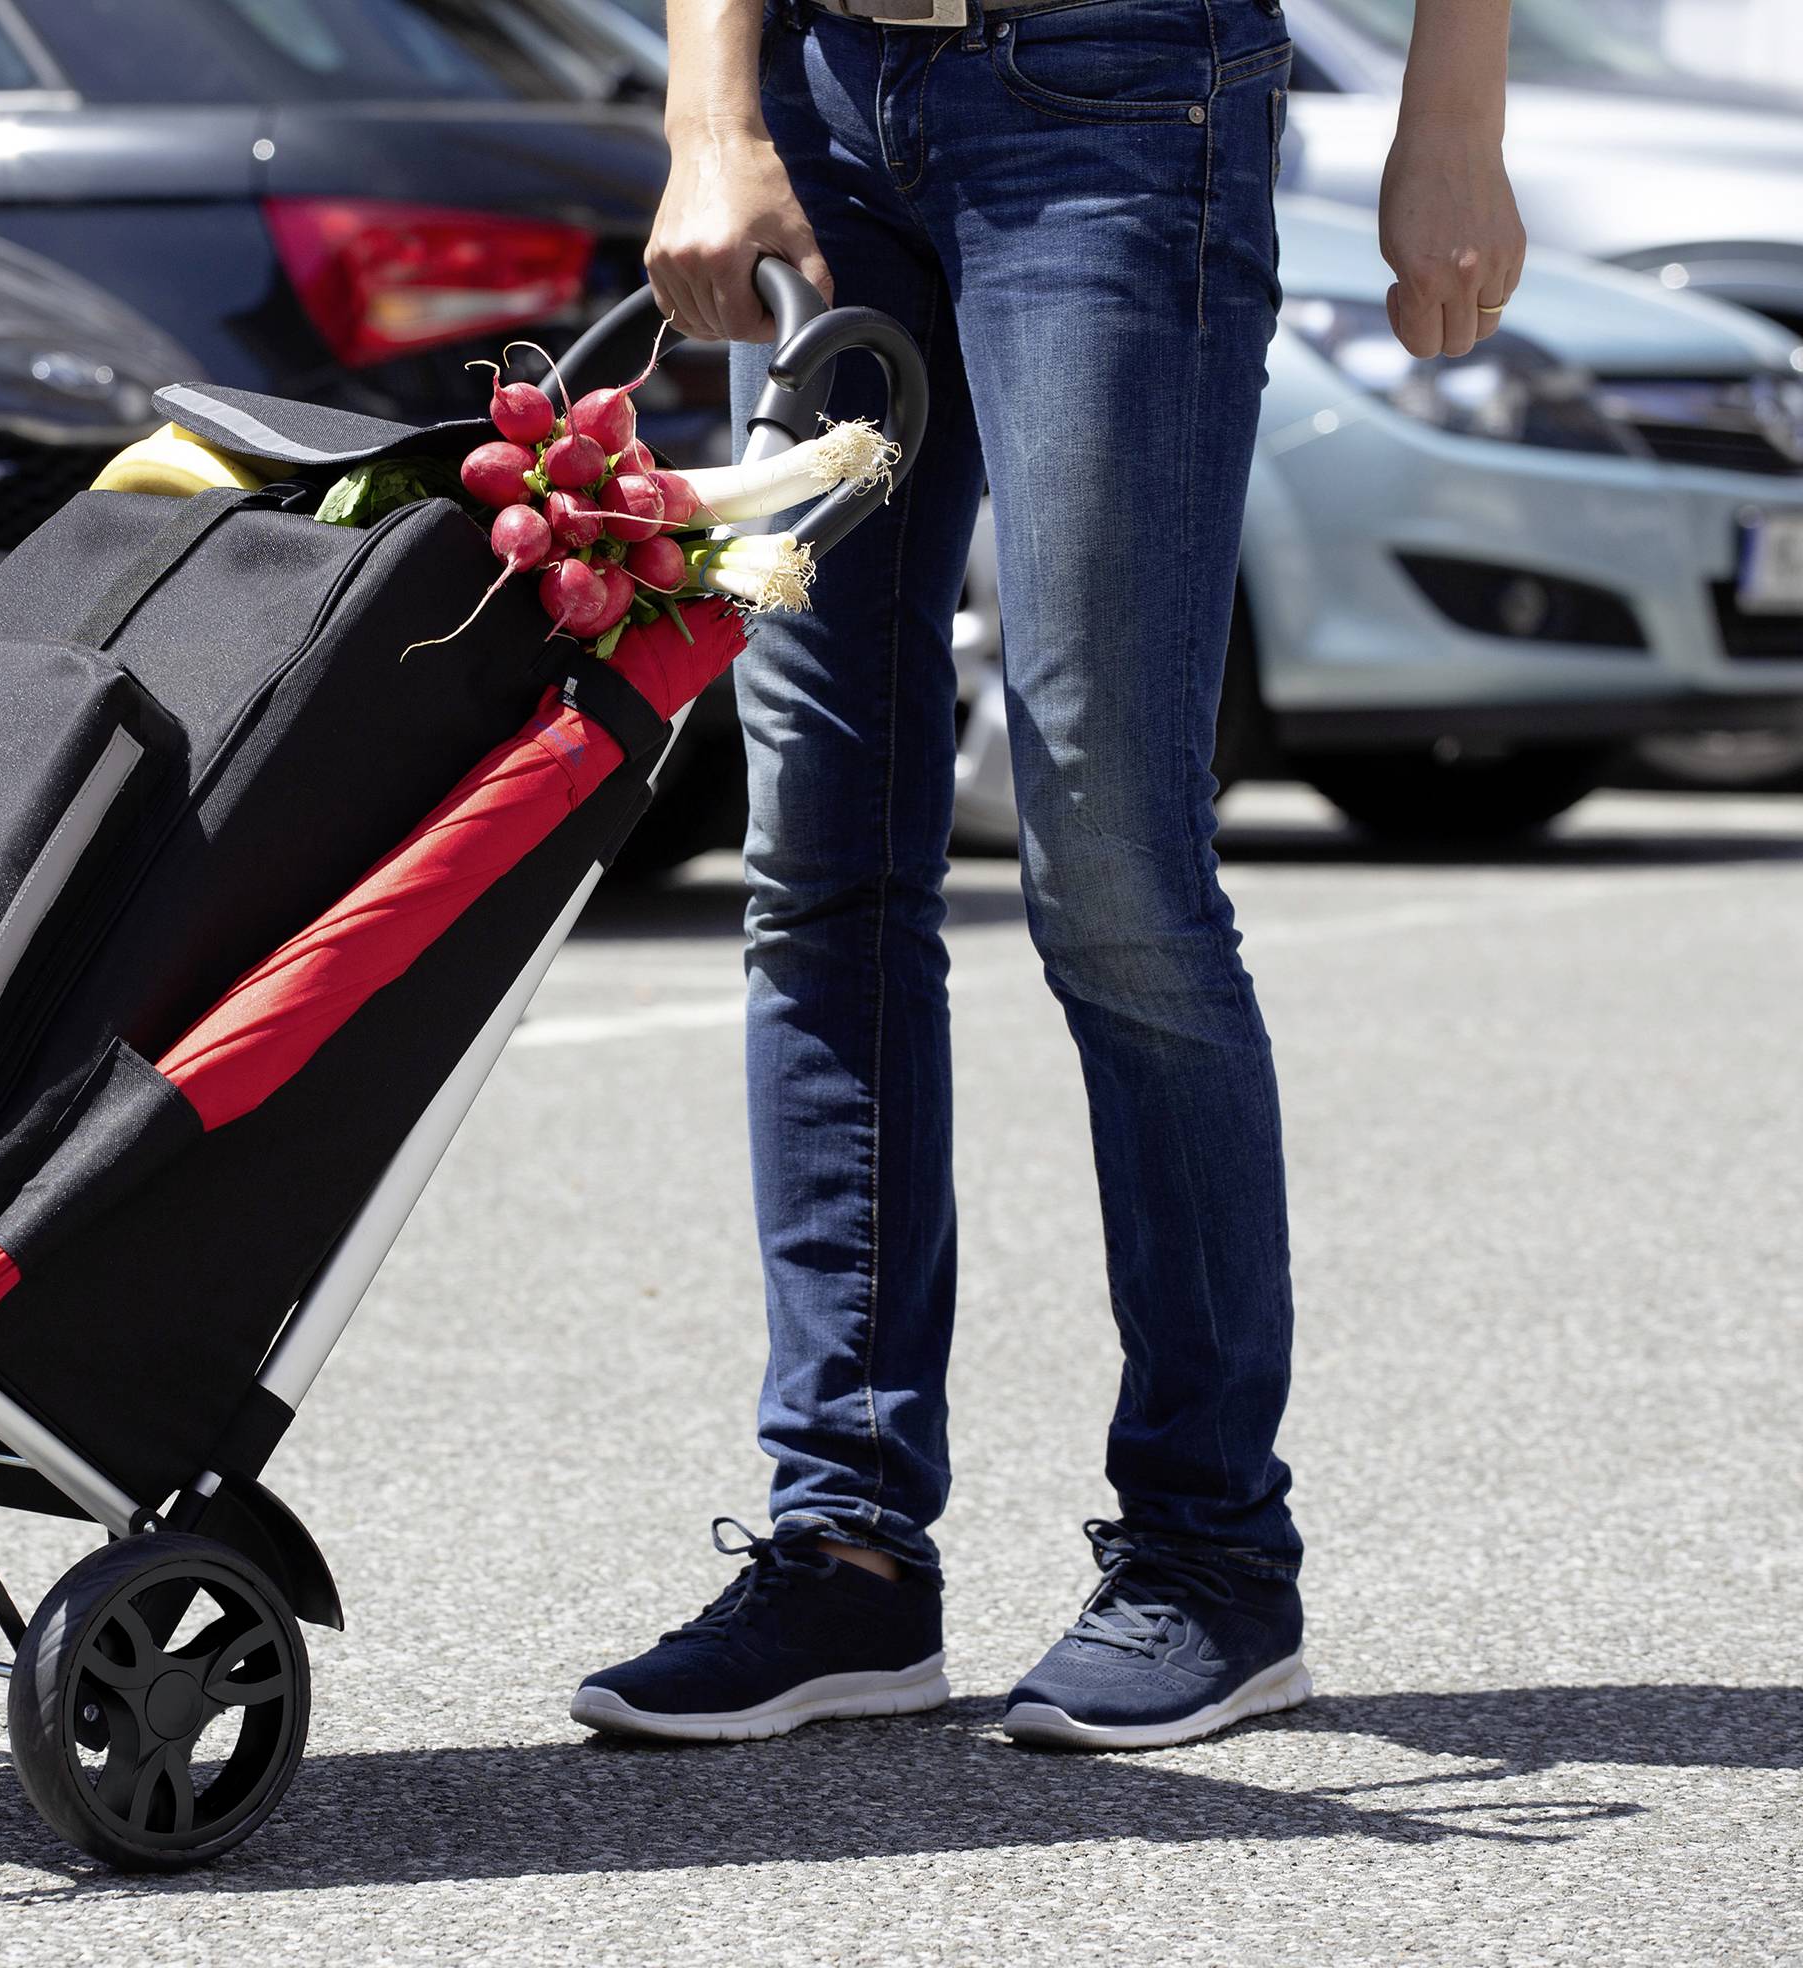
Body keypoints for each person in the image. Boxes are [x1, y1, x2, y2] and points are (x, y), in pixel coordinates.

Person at [571, 0, 1525, 1749]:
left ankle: (1209, 1556)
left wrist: (1449, 121)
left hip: (1123, 95)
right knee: (817, 861)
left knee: (1107, 859)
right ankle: (844, 1550)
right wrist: (710, 116)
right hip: (821, 101)